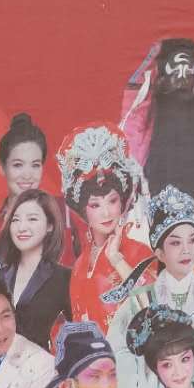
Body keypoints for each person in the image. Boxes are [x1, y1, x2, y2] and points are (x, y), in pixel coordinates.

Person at [107, 186, 194, 388]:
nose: (186, 250)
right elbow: (117, 351)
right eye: (175, 242)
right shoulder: (139, 299)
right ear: (160, 253)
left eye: (192, 240)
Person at [120, 38, 194, 230]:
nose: (180, 80)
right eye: (174, 72)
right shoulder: (147, 114)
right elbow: (127, 142)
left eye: (187, 72)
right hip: (156, 208)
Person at [56, 122, 151, 333]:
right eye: (95, 205)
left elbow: (153, 307)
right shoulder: (80, 265)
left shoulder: (139, 253)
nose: (106, 213)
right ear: (83, 211)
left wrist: (116, 258)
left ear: (122, 202)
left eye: (112, 201)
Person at [0, 113, 76, 274]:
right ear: (2, 167)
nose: (27, 175)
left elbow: (90, 268)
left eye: (35, 165)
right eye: (18, 165)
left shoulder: (66, 211)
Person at [0, 189, 72, 351]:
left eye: (32, 219)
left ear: (50, 225)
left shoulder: (64, 279)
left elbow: (81, 336)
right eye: (16, 220)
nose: (21, 227)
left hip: (40, 364)